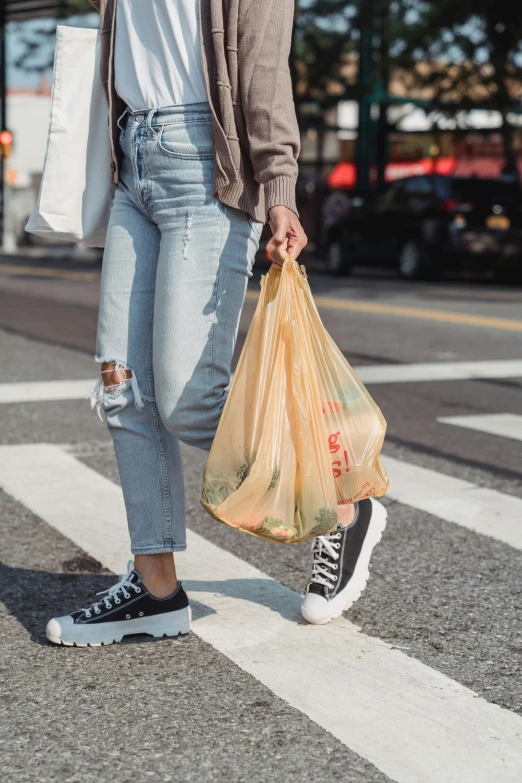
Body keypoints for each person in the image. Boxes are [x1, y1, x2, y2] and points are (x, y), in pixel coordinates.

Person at [46, 0, 386, 647]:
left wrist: (281, 187)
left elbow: (263, 60)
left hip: (209, 165)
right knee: (122, 384)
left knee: (187, 396)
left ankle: (345, 507)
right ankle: (156, 587)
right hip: (132, 157)